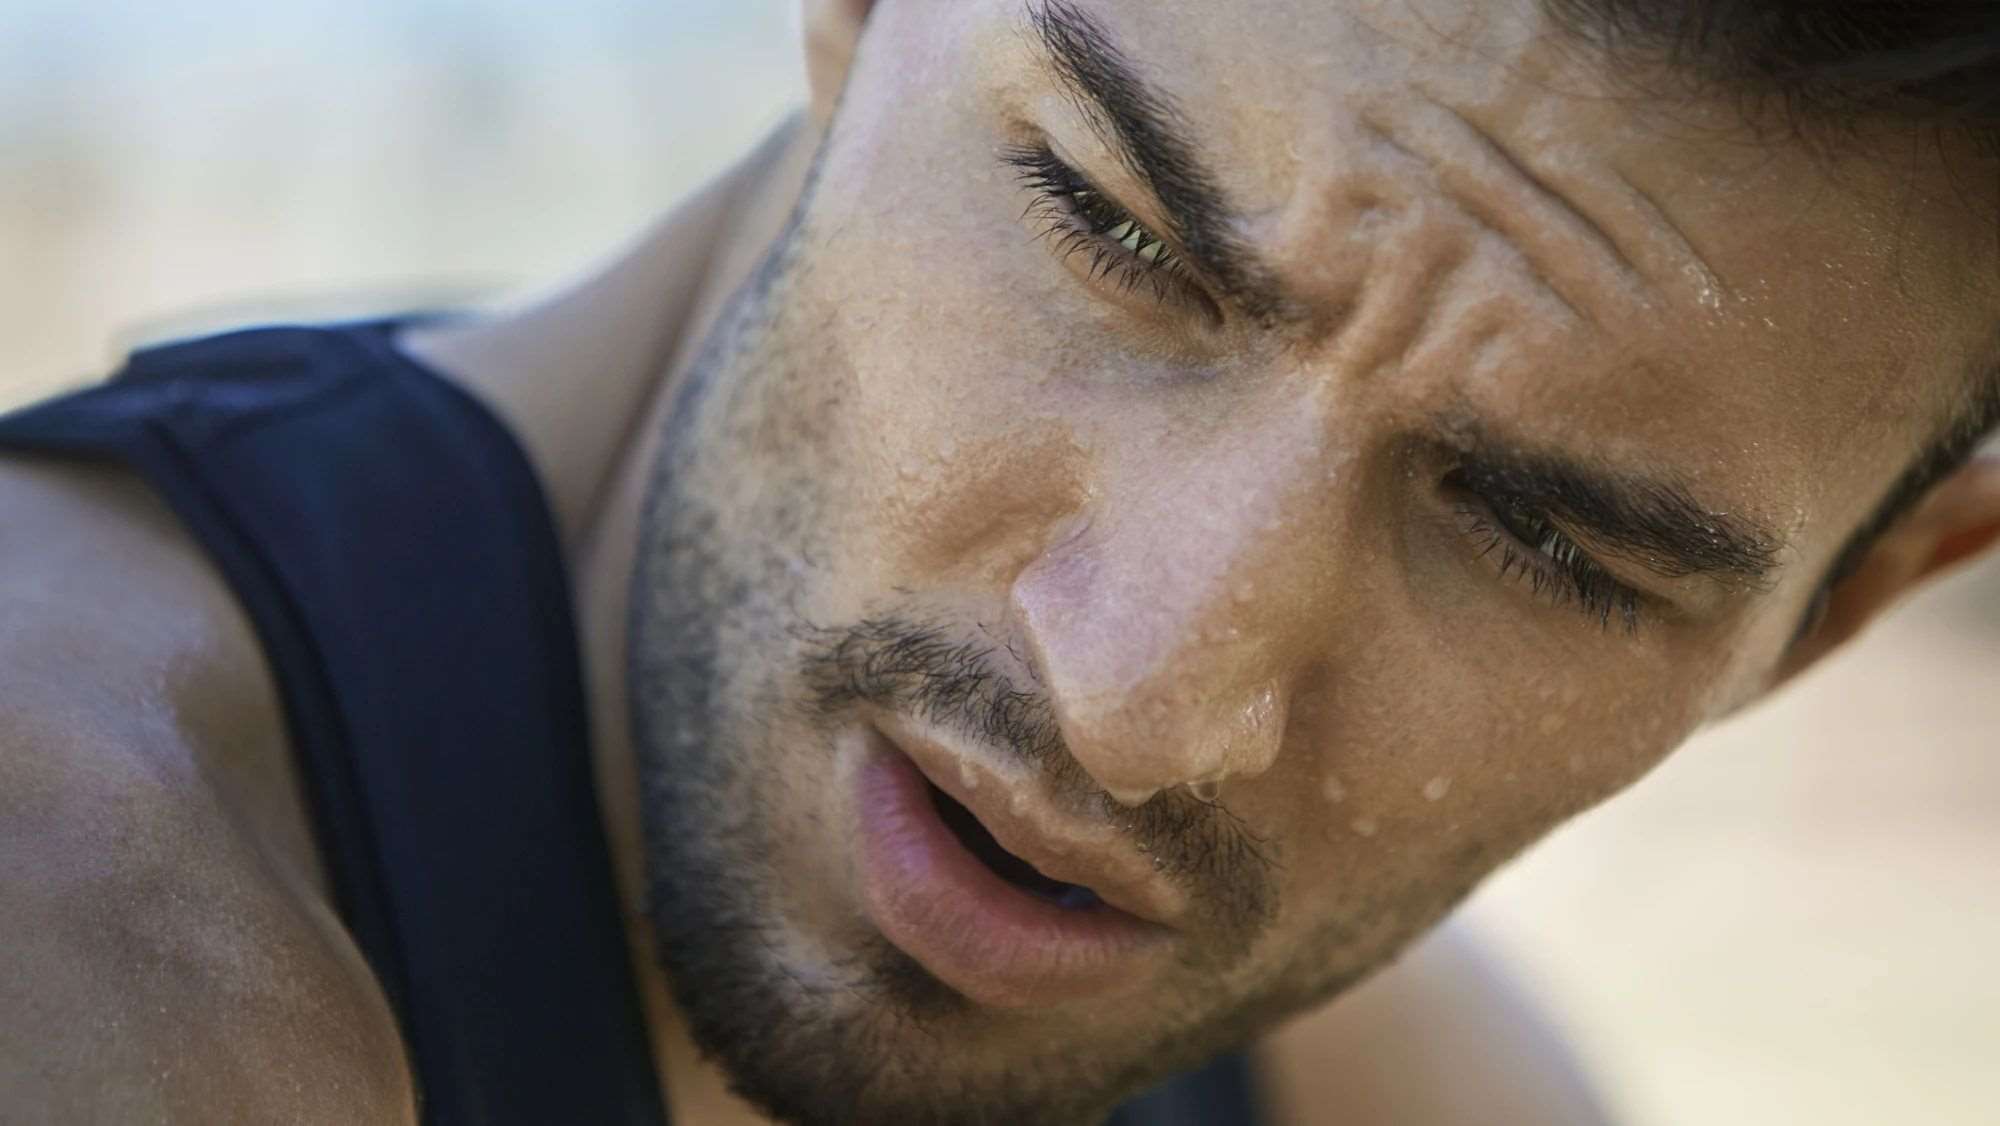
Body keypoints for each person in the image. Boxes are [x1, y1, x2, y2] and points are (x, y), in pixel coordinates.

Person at [3, 0, 1996, 1122]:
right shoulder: (83, 952)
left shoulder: (1380, 1083)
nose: (1135, 701)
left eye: (1543, 538)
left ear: (1833, 617)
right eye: (1116, 231)